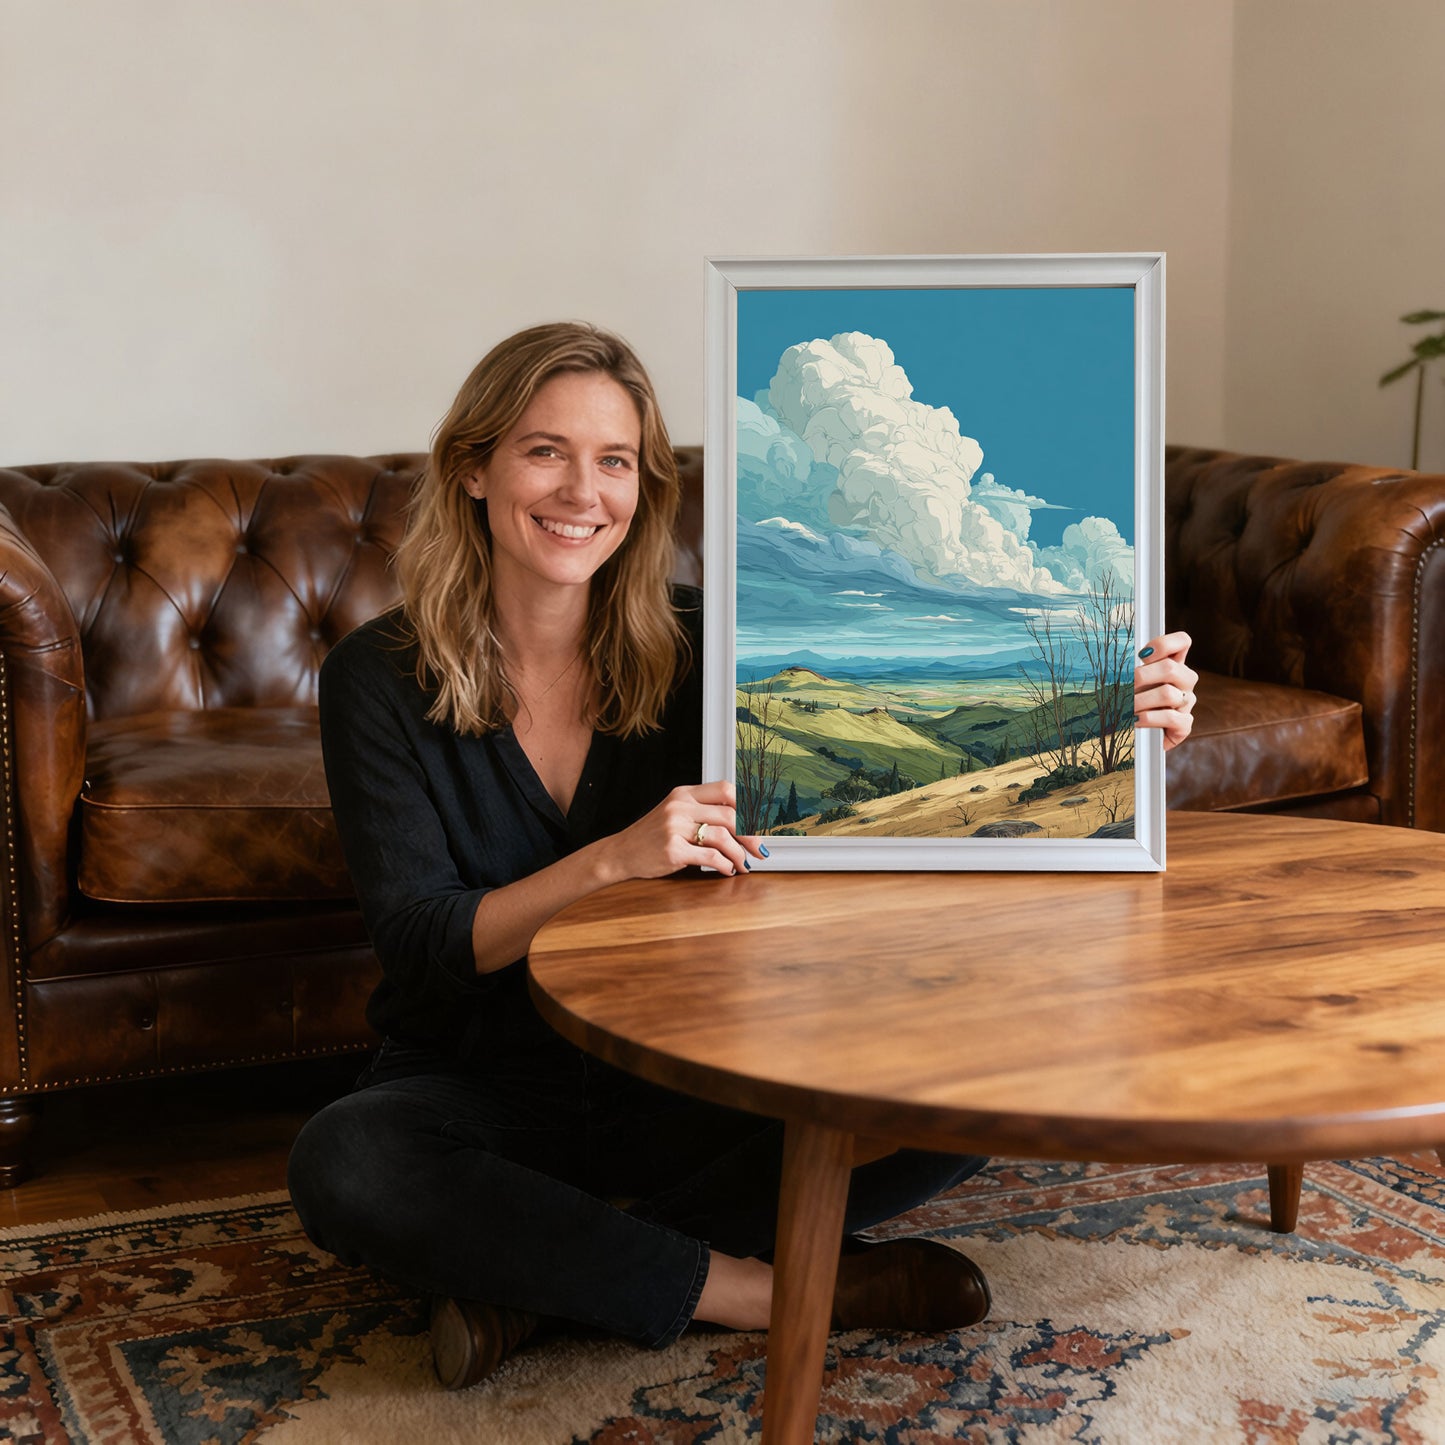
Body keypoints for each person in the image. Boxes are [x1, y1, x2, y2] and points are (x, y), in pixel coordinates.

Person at [287, 321, 1198, 1390]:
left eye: (615, 460)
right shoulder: (375, 675)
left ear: (643, 486)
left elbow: (889, 825)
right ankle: (787, 1290)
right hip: (481, 1081)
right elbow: (422, 940)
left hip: (681, 1069)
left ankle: (535, 1281)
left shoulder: (707, 646)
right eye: (544, 450)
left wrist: (1117, 724)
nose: (583, 489)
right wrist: (610, 861)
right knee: (345, 1162)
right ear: (472, 468)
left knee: (990, 1076)